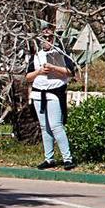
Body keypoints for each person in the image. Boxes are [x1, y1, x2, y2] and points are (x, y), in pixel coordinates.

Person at [26, 26, 76, 170]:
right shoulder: (36, 56)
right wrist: (39, 71)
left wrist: (53, 68)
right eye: (44, 38)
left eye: (49, 38)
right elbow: (28, 77)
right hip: (38, 93)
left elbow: (70, 72)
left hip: (54, 93)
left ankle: (67, 158)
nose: (46, 40)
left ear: (54, 38)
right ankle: (49, 158)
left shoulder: (59, 54)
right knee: (44, 127)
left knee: (56, 126)